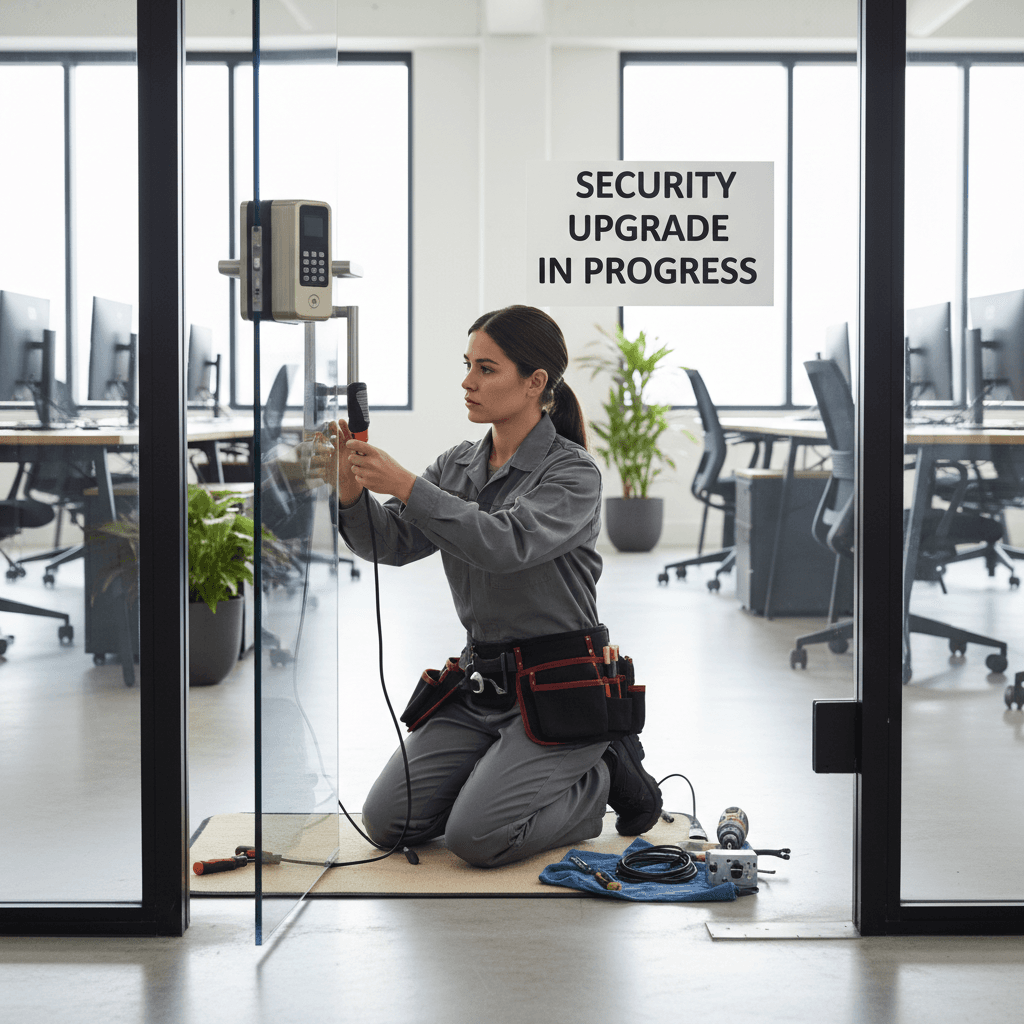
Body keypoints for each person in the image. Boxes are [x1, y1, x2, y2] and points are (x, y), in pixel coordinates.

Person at [317, 304, 662, 867]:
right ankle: (503, 778)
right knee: (386, 823)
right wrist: (350, 493)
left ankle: (598, 777)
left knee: (474, 839)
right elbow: (392, 544)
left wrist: (404, 484)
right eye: (467, 365)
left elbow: (505, 543)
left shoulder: (572, 473)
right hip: (483, 681)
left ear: (535, 383)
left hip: (560, 684)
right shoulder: (456, 466)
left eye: (486, 369)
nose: (467, 382)